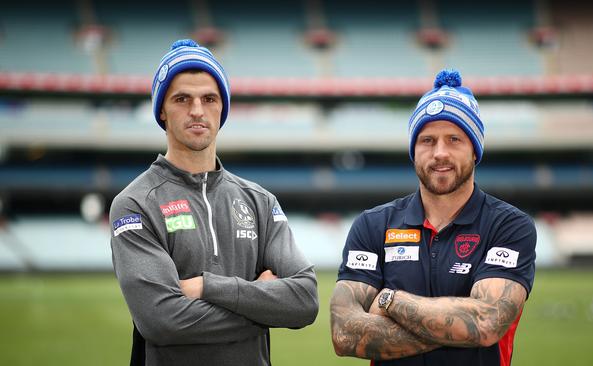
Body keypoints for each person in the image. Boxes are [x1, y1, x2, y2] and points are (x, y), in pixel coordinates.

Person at [109, 39, 319, 366]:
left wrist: (208, 287)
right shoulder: (135, 203)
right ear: (161, 110)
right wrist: (262, 306)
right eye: (182, 99)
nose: (197, 110)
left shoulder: (260, 201)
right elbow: (162, 321)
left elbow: (304, 300)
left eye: (209, 98)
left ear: (223, 108)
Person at [330, 69, 536, 366]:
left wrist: (390, 301)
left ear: (475, 152)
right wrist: (458, 327)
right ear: (413, 151)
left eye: (454, 139)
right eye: (427, 140)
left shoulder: (509, 226)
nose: (440, 153)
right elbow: (344, 334)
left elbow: (487, 322)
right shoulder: (373, 224)